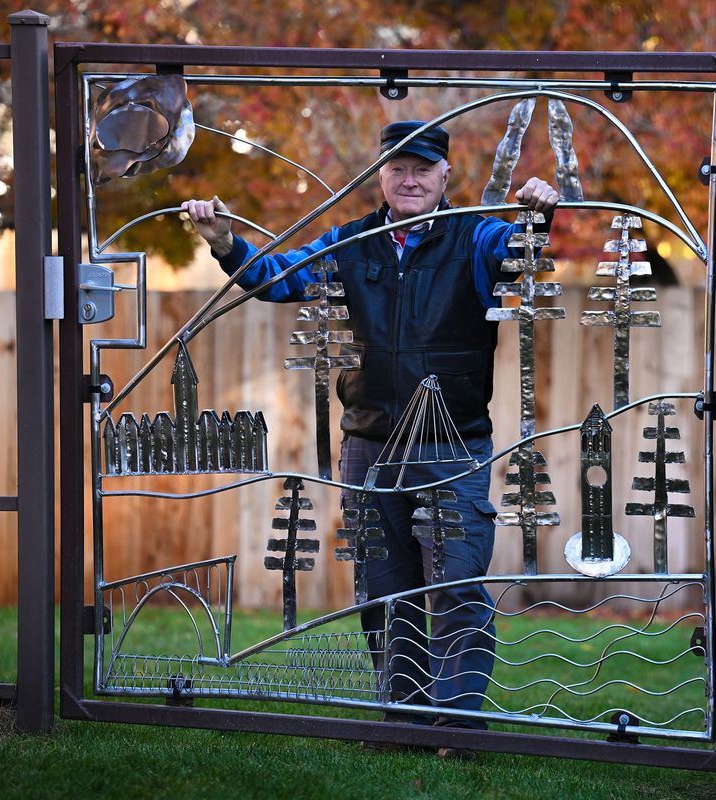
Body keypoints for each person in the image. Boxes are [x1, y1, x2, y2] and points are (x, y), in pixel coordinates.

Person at [182, 121, 559, 752]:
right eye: (397, 168)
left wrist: (537, 219)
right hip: (368, 442)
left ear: (445, 176)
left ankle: (458, 723)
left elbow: (514, 253)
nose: (409, 179)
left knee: (455, 580)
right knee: (387, 588)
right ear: (380, 175)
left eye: (423, 168)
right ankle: (403, 719)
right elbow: (281, 277)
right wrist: (226, 244)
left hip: (453, 442)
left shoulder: (473, 234)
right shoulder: (355, 241)